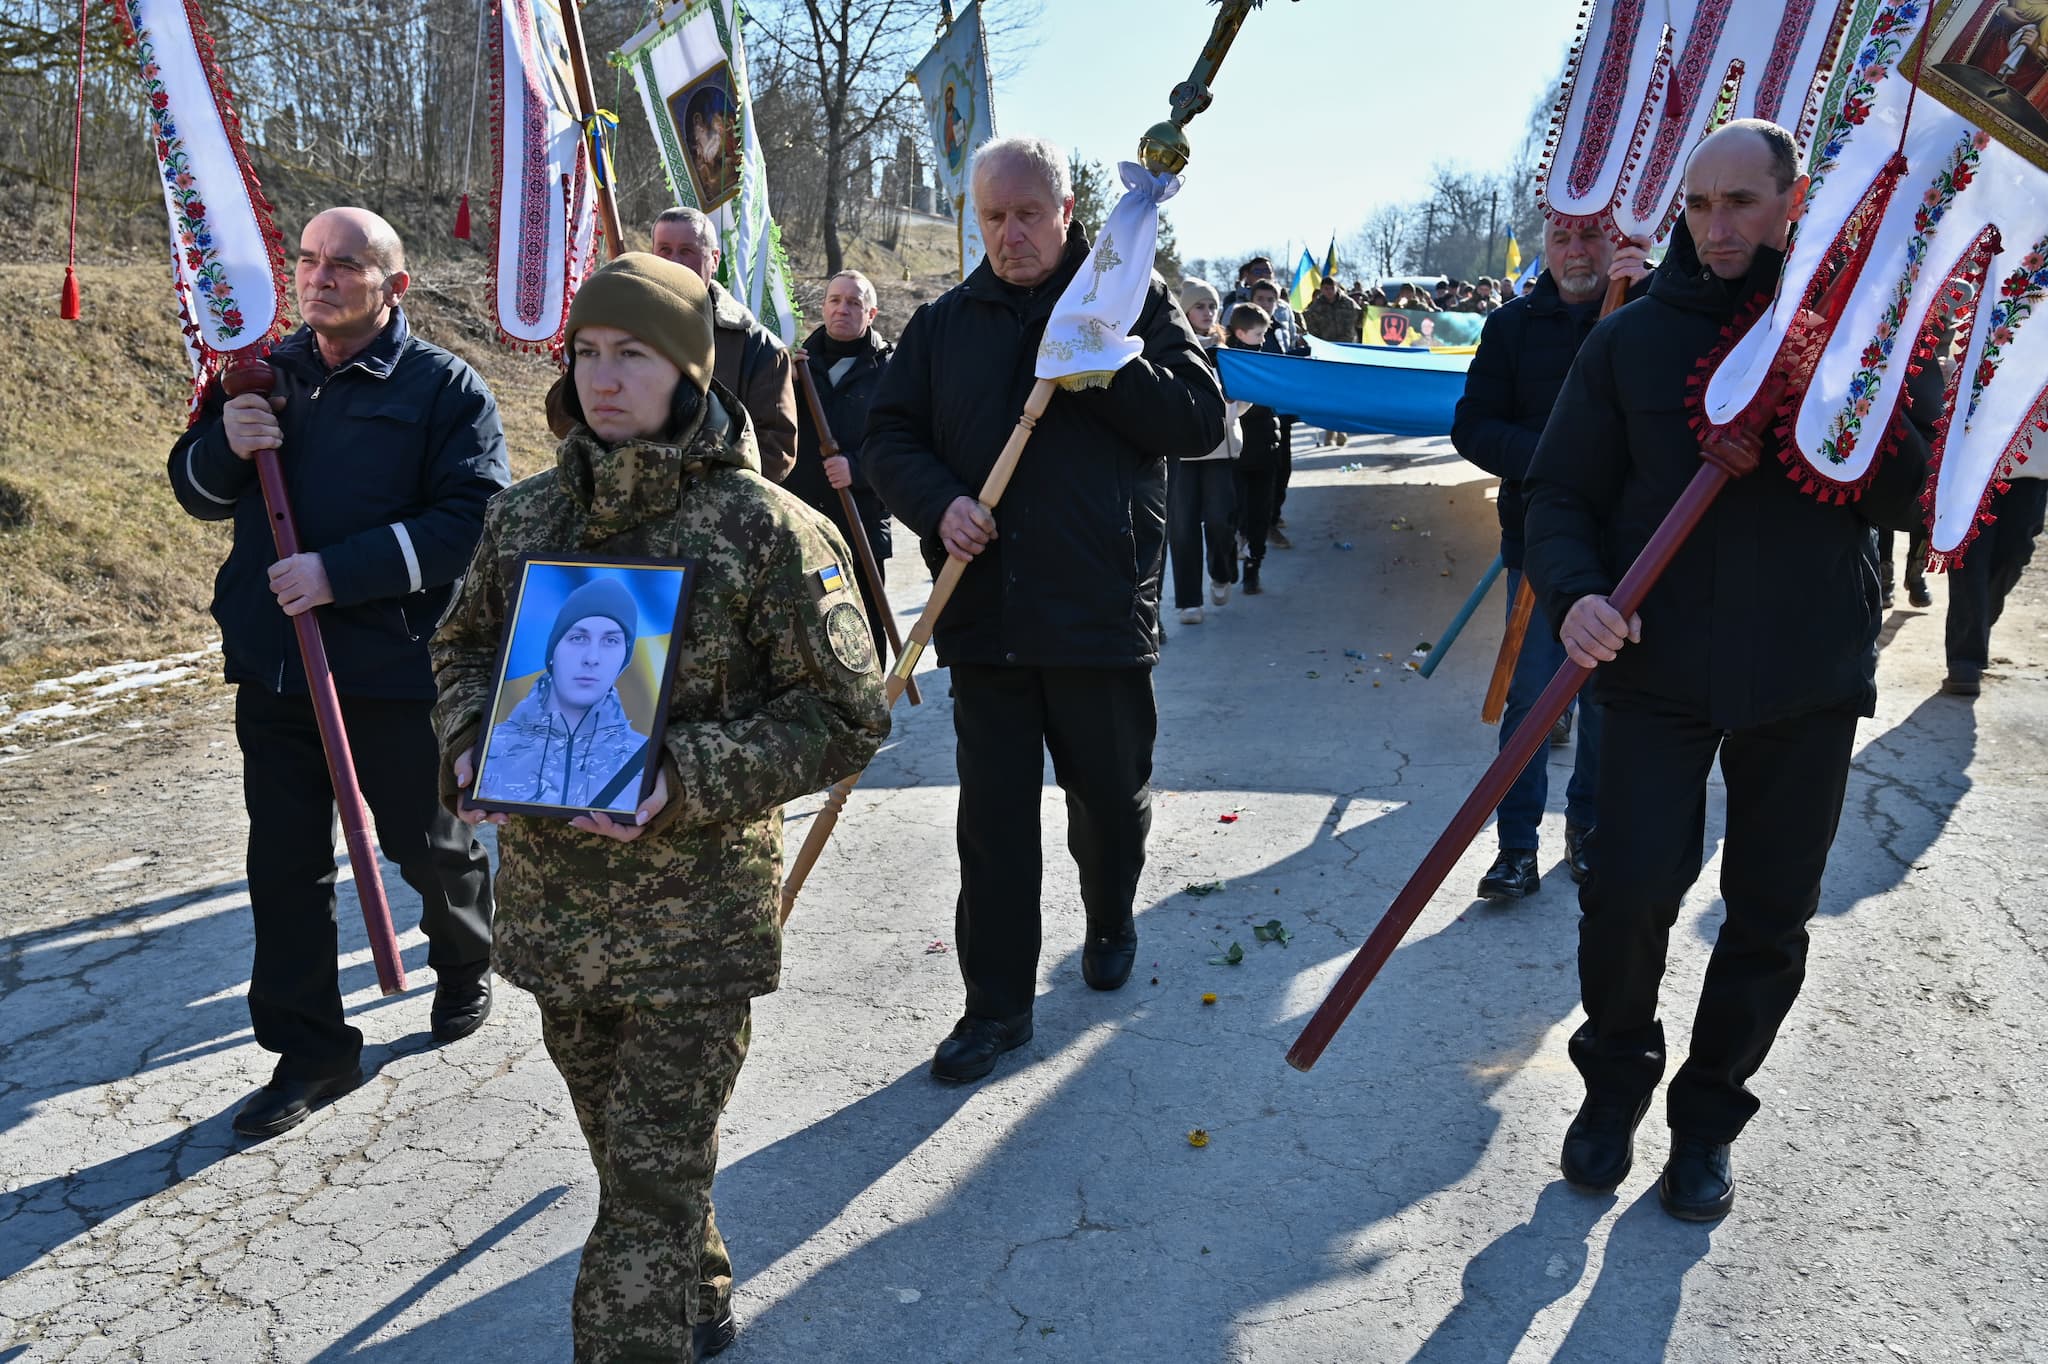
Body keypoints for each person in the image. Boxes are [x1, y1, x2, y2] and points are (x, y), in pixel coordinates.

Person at [431, 252, 890, 1363]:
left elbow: (845, 715)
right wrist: (473, 744)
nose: (602, 376)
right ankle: (702, 1285)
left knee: (642, 1186)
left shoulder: (768, 530)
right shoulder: (527, 515)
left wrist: (681, 775)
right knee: (634, 1157)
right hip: (554, 917)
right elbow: (460, 647)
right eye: (587, 352)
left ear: (687, 368)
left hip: (692, 930)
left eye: (631, 352)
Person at [1523, 120, 1937, 1222]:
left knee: (1767, 915)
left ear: (1790, 202)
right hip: (1652, 670)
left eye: (1739, 203)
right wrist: (1576, 598)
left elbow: (1911, 495)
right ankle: (1611, 1088)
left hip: (1803, 674)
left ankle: (1705, 1120)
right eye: (1697, 205)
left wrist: (1833, 401)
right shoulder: (1628, 343)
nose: (1715, 227)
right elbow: (1556, 492)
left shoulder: (1858, 333)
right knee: (1625, 895)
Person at [865, 135, 1226, 1083]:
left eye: (1029, 213)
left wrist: (1105, 364)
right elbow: (887, 434)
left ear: (1068, 213)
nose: (1011, 233)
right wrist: (938, 502)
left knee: (1107, 806)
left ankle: (1110, 911)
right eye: (992, 216)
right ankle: (996, 1010)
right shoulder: (945, 325)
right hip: (985, 618)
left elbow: (1200, 421)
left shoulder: (1126, 299)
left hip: (1099, 615)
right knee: (993, 827)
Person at [167, 207, 505, 1139]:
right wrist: (222, 446)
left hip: (387, 665)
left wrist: (337, 573)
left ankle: (466, 957)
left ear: (394, 286)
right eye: (309, 261)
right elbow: (192, 489)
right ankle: (312, 1050)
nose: (320, 278)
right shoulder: (258, 372)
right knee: (284, 865)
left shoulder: (445, 389)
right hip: (275, 666)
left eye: (346, 266)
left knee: (426, 845)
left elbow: (473, 522)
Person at [1451, 215, 1649, 902]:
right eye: (1563, 237)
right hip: (1538, 544)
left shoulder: (1645, 315)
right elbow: (1472, 426)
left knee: (1601, 697)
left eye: (1592, 236)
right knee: (1531, 696)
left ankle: (1588, 834)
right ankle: (1516, 848)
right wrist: (1554, 461)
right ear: (1546, 245)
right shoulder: (1510, 328)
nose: (1577, 251)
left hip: (1623, 550)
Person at [786, 269, 897, 654]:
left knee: (861, 631)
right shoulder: (795, 365)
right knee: (811, 627)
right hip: (806, 527)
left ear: (872, 313)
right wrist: (781, 383)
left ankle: (870, 713)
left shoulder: (892, 371)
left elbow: (907, 443)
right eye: (835, 300)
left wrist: (859, 469)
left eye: (854, 302)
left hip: (860, 526)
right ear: (823, 307)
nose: (842, 309)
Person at [651, 206, 799, 484]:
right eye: (665, 250)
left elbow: (775, 453)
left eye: (687, 251)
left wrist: (696, 488)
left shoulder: (759, 348)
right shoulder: (624, 330)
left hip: (710, 516)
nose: (674, 262)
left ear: (714, 259)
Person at [475, 578, 649, 813]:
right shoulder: (490, 748)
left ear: (624, 661)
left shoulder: (646, 760)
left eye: (611, 641)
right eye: (578, 638)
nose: (592, 657)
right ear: (553, 651)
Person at [1168, 280, 1241, 624]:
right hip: (1181, 451)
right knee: (1182, 527)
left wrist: (1231, 405)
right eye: (1199, 306)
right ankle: (1188, 601)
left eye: (1211, 306)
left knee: (1218, 522)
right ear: (1184, 311)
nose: (1207, 313)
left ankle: (1222, 572)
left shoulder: (1227, 353)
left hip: (1220, 448)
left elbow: (1245, 395)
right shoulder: (1173, 348)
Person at [1943, 465, 2045, 694]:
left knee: (2015, 553)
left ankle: (1977, 617)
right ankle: (1965, 658)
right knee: (1968, 556)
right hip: (1973, 459)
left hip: (2032, 461)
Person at [1224, 303, 1283, 596]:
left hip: (1265, 447)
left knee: (1260, 512)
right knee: (1237, 512)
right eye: (1258, 333)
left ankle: (1253, 568)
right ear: (1240, 332)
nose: (1262, 339)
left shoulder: (1267, 360)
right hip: (1236, 451)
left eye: (1264, 333)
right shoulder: (1226, 361)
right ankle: (1234, 554)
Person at [1247, 277, 1301, 549]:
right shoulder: (1239, 331)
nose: (1266, 305)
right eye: (1261, 299)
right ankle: (1256, 527)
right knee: (1255, 476)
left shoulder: (1279, 330)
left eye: (1271, 300)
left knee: (1283, 469)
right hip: (1250, 420)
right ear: (1251, 299)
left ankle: (1272, 518)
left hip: (1280, 414)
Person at [1304, 275, 1363, 445]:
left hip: (1346, 352)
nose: (1328, 292)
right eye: (1325, 288)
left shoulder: (1349, 304)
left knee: (1344, 393)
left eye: (1331, 288)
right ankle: (1330, 430)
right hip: (1326, 353)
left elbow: (1361, 322)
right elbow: (1311, 329)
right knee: (1329, 393)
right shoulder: (1316, 307)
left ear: (1337, 288)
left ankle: (1342, 429)